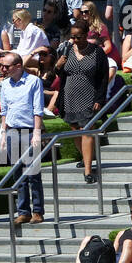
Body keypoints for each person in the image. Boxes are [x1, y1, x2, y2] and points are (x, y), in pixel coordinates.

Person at [54, 19, 110, 183]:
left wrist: (100, 98)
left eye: (78, 37)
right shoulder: (67, 50)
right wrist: (58, 65)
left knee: (86, 129)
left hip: (89, 95)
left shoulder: (97, 52)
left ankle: (88, 170)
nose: (75, 40)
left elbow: (103, 78)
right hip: (69, 95)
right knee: (74, 129)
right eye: (73, 37)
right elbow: (58, 73)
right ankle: (87, 157)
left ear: (86, 35)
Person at [0, 51, 45, 225]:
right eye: (2, 66)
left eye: (6, 66)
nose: (3, 69)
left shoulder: (33, 81)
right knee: (18, 174)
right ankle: (24, 211)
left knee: (33, 173)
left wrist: (37, 132)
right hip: (12, 131)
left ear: (18, 66)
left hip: (29, 130)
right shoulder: (6, 84)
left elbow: (38, 109)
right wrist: (2, 133)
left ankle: (37, 211)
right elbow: (4, 111)